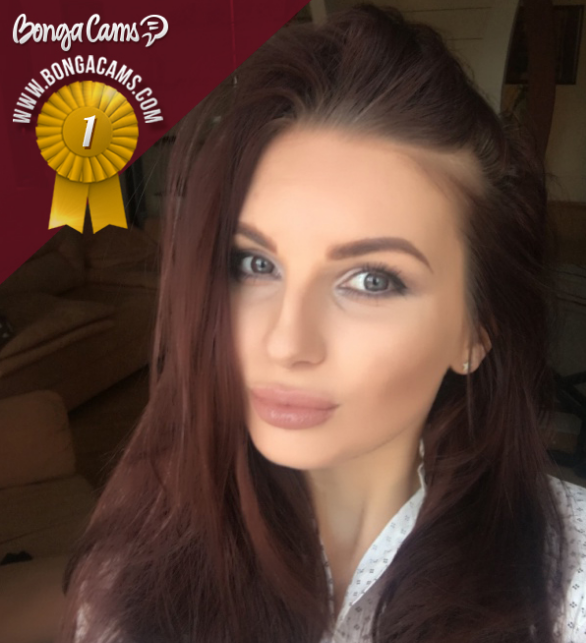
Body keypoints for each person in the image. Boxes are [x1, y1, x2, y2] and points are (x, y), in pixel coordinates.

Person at [58, 4, 586, 643]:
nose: (286, 342)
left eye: (372, 280)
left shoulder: (568, 585)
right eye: (255, 264)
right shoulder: (132, 566)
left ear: (476, 330)